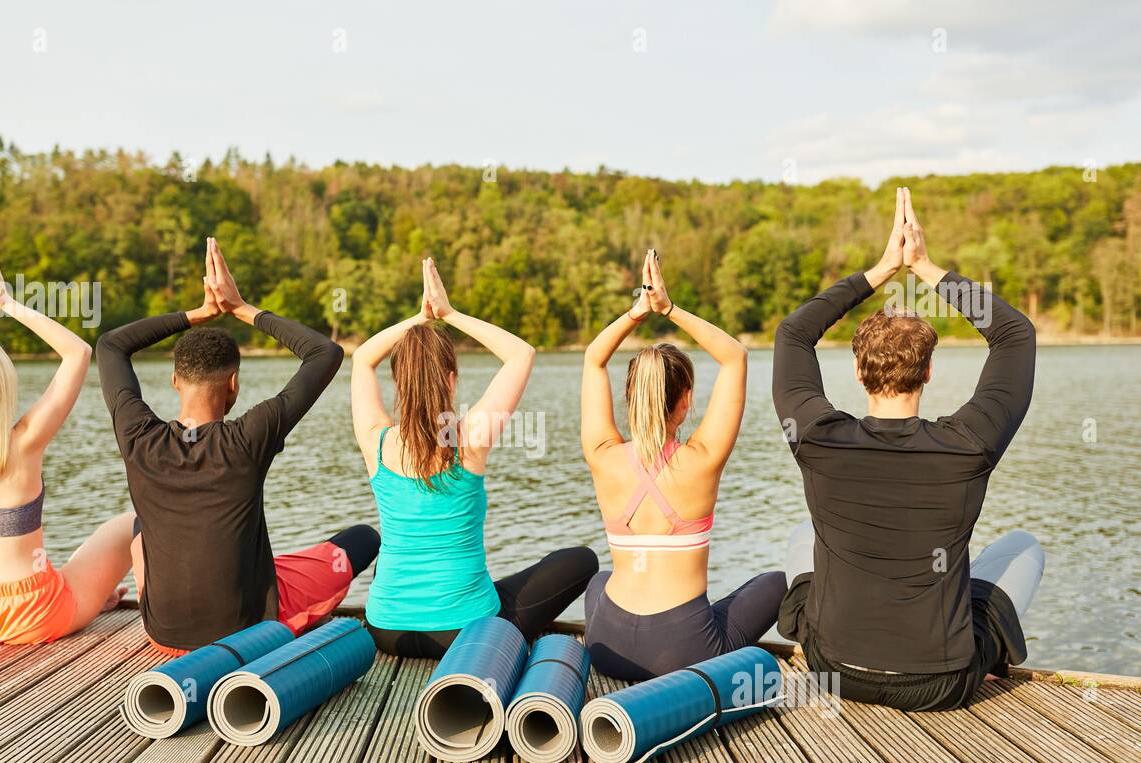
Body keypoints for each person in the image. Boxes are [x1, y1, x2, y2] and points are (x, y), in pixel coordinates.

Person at [772, 187, 1043, 711]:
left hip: (834, 670)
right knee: (1024, 546)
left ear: (856, 372)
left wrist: (881, 270)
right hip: (941, 683)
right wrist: (926, 268)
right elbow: (1015, 335)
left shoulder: (817, 438)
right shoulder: (969, 444)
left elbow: (792, 336)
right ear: (929, 373)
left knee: (803, 532)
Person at [96, 237, 378, 654]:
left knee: (141, 525)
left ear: (175, 381)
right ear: (234, 385)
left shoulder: (137, 435)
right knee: (363, 538)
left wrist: (198, 313)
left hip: (163, 633)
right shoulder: (249, 436)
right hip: (248, 631)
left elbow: (111, 345)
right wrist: (241, 308)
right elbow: (325, 352)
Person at [351, 257, 597, 658]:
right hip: (464, 632)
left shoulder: (376, 442)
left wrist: (418, 318)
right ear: (451, 380)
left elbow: (361, 358)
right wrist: (449, 314)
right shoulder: (469, 438)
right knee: (579, 561)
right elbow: (521, 354)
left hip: (386, 629)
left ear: (397, 382)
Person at [580, 249, 786, 680]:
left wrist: (637, 311)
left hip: (607, 645)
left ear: (630, 398)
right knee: (777, 582)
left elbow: (594, 359)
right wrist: (668, 308)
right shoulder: (702, 460)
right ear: (687, 399)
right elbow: (735, 356)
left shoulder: (603, 455)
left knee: (600, 579)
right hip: (682, 653)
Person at [0, 245, 134, 645]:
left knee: (68, 570)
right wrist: (6, 303)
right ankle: (160, 611)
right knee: (129, 525)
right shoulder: (25, 441)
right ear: (1, 389)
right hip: (35, 612)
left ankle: (91, 595)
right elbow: (78, 352)